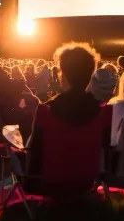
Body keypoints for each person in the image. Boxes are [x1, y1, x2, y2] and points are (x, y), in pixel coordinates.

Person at [24, 42, 113, 187]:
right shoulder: (104, 112)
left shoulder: (45, 111)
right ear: (90, 75)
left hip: (51, 183)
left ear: (62, 73)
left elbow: (34, 156)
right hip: (87, 181)